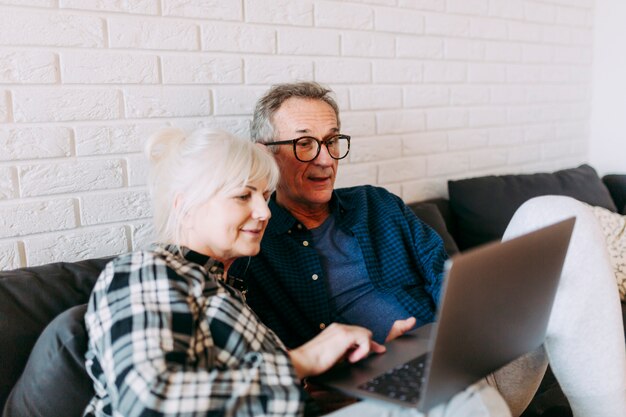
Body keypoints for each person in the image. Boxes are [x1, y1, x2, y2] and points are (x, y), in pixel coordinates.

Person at [228, 81, 626, 417]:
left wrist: (445, 334)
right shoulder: (249, 249)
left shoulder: (376, 205)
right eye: (304, 144)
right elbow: (266, 375)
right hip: (382, 399)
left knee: (555, 212)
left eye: (332, 141)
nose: (325, 159)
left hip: (465, 359)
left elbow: (446, 277)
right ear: (266, 153)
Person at [82, 128, 388, 417]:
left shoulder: (223, 286)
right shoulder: (146, 272)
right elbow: (148, 403)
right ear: (185, 206)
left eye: (265, 196)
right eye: (244, 195)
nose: (265, 212)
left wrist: (343, 377)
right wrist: (304, 360)